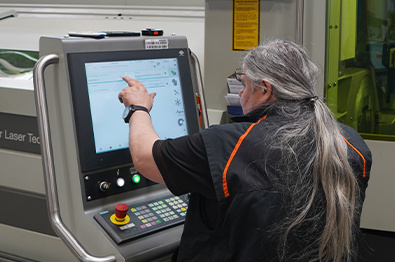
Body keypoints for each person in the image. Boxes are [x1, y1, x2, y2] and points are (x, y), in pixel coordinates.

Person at [118, 39, 372, 262]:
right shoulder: (350, 143)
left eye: (243, 85)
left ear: (264, 89)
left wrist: (138, 107)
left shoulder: (230, 146)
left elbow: (145, 157)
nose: (240, 93)